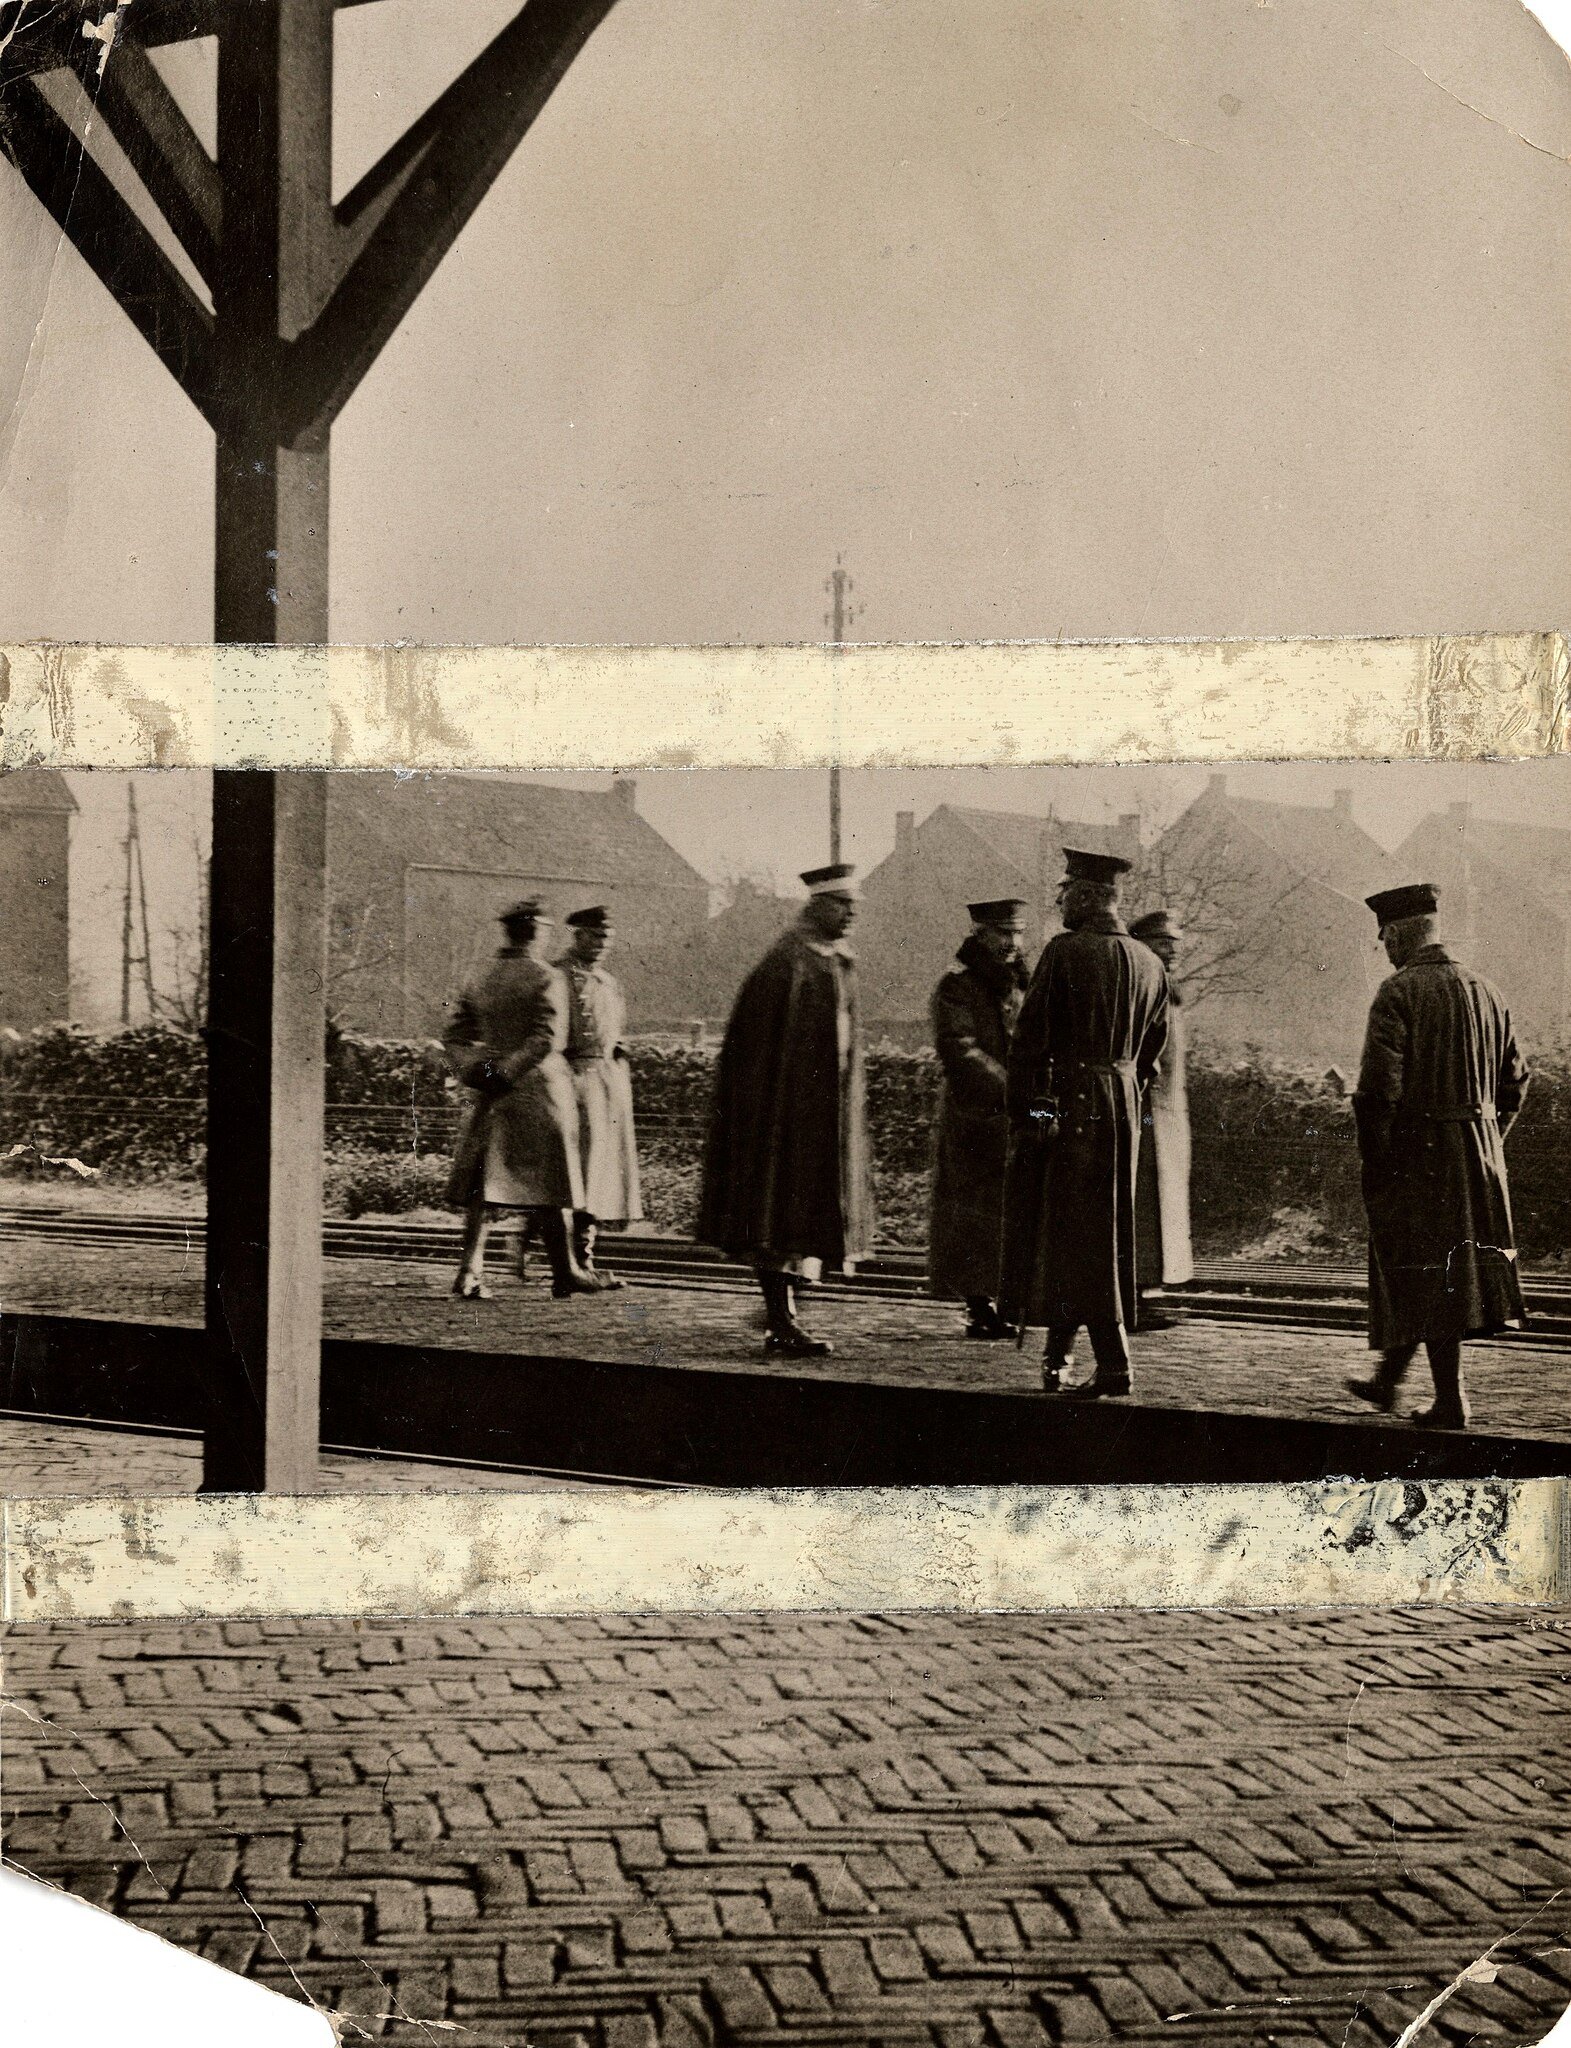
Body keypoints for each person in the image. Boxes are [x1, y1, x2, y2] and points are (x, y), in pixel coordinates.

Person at [1346, 881, 1530, 1430]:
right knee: (1439, 1273)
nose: (1385, 949)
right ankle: (1389, 1380)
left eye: (1385, 938)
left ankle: (1450, 1402)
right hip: (1478, 1153)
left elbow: (1379, 1091)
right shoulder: (1488, 990)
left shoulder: (1397, 992)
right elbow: (1517, 1081)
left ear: (1400, 933)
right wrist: (1488, 1139)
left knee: (1424, 1269)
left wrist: (1376, 1160)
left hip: (1419, 1156)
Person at [999, 847, 1169, 1397]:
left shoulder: (1065, 953)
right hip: (1120, 1110)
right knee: (1101, 1232)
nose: (1059, 898)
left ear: (1090, 896)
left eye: (1066, 888)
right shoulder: (1150, 962)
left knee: (1072, 1233)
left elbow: (1030, 1045)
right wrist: (1122, 1104)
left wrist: (1037, 1114)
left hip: (1070, 1106)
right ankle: (1059, 1356)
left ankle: (1112, 1364)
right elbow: (1151, 1061)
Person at [697, 863, 874, 1357]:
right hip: (786, 1117)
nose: (850, 915)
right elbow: (754, 1051)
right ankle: (781, 1319)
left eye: (854, 906)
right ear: (817, 905)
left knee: (810, 1215)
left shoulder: (838, 961)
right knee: (778, 1212)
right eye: (842, 905)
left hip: (827, 1116)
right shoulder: (786, 964)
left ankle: (784, 1310)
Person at [444, 899, 612, 1301]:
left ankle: (469, 1272)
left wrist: (483, 1072)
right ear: (537, 931)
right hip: (540, 1090)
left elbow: (454, 1037)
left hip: (493, 1092)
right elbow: (545, 1039)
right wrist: (510, 1072)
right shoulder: (546, 977)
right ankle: (566, 1271)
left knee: (485, 1185)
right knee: (555, 1182)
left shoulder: (479, 975)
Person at [928, 898, 1031, 1339]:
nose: (1012, 942)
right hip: (975, 1119)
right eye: (1002, 933)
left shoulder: (1023, 986)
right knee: (975, 1216)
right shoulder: (958, 987)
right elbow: (960, 1049)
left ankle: (1008, 1300)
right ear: (979, 934)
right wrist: (1014, 1091)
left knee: (1014, 1212)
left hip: (1020, 1114)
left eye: (1017, 933)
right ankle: (977, 1306)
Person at [558, 904, 642, 1286]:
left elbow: (612, 1029)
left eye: (606, 938)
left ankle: (583, 1259)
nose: (601, 944)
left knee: (601, 1174)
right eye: (594, 937)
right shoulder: (560, 977)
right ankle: (571, 1259)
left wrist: (619, 1048)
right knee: (577, 1172)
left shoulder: (609, 983)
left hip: (607, 1082)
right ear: (578, 936)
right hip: (574, 1080)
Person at [1128, 909, 1194, 1326]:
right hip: (1145, 1114)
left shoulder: (1166, 993)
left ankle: (1147, 1290)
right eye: (1161, 944)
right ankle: (1135, 1294)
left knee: (1158, 1202)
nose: (1171, 952)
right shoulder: (1142, 991)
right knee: (1143, 1203)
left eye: (1173, 945)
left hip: (1166, 1114)